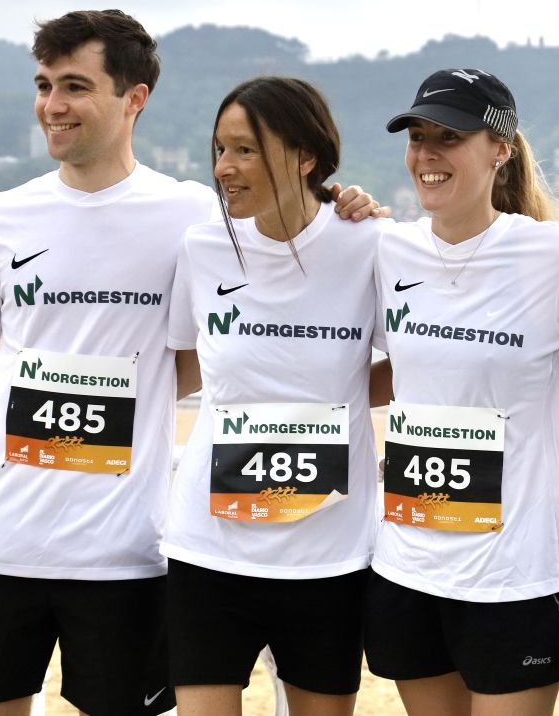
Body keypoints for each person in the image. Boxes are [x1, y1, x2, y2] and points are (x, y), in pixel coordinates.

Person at [0, 10, 379, 716]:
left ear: (135, 98)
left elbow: (240, 318)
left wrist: (344, 203)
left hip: (128, 552)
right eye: (43, 85)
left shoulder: (197, 217)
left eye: (75, 86)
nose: (53, 105)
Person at [364, 68, 559, 716]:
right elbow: (388, 371)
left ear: (500, 149)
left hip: (513, 571)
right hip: (407, 563)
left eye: (450, 137)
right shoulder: (387, 250)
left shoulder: (552, 255)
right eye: (418, 137)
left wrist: (523, 435)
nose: (427, 153)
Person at [161, 77, 381, 716]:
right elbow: (183, 367)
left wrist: (341, 391)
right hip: (208, 547)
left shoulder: (369, 245)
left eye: (245, 150)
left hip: (329, 555)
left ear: (305, 156)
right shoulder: (202, 248)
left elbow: (420, 362)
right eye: (219, 149)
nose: (224, 168)